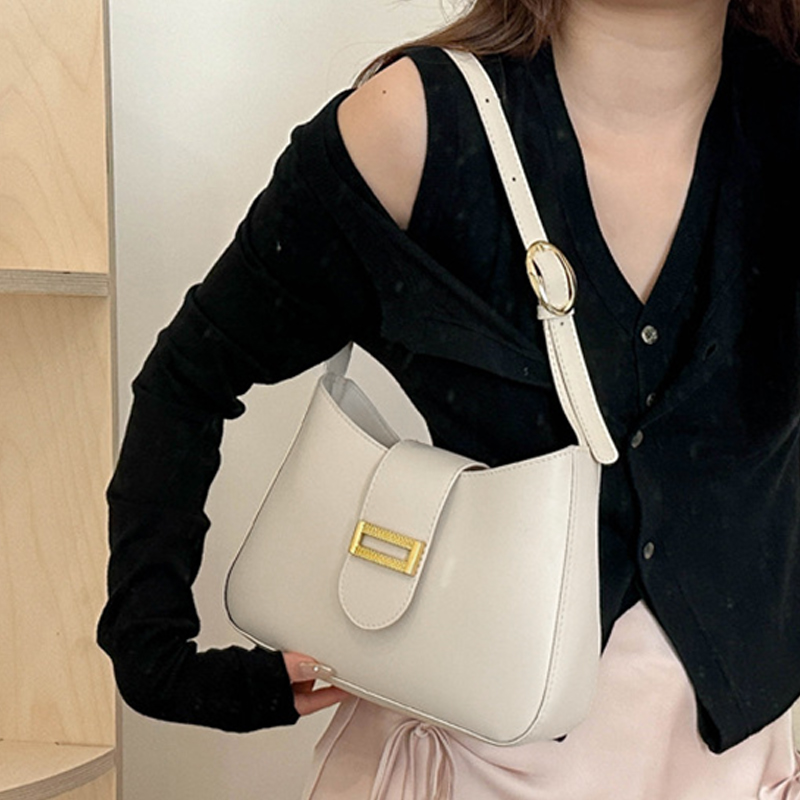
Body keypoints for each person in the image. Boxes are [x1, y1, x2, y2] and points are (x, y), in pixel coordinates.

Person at [98, 0, 800, 797]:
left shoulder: (780, 128)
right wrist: (157, 657)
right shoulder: (418, 128)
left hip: (741, 766)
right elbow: (190, 375)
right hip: (471, 765)